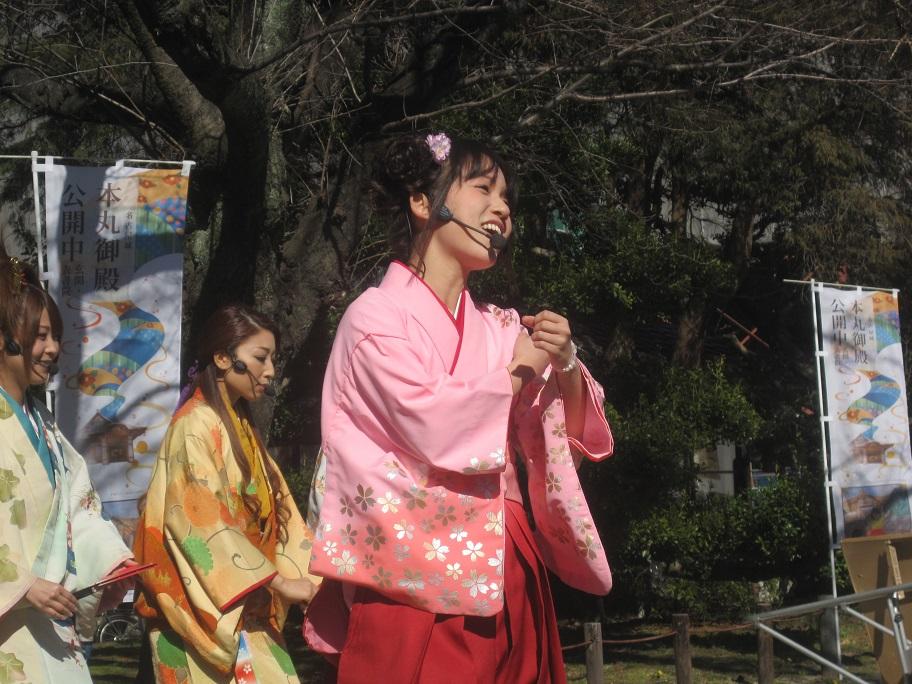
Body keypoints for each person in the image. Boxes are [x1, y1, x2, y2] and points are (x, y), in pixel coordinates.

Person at [304, 133, 615, 682]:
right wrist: (518, 373)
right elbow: (432, 421)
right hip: (408, 573)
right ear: (423, 202)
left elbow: (559, 431)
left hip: (505, 558)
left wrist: (565, 362)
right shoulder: (374, 318)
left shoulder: (500, 327)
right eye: (483, 190)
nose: (502, 208)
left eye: (506, 198)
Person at [133, 304, 321, 683]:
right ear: (222, 358)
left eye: (272, 359)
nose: (270, 370)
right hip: (200, 613)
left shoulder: (239, 427)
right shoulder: (194, 425)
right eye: (261, 358)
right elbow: (202, 521)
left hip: (244, 603)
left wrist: (313, 580)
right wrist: (281, 583)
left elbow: (281, 513)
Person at [0, 246, 134, 682]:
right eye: (40, 336)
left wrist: (109, 561)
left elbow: (77, 506)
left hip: (50, 621)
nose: (53, 348)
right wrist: (21, 585)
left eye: (55, 336)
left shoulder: (45, 426)